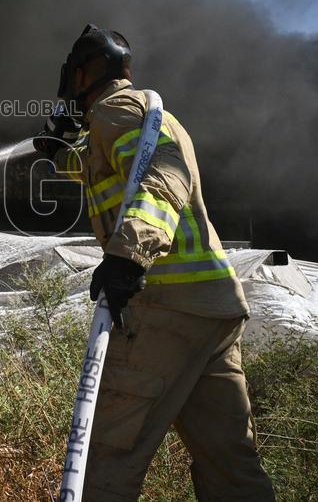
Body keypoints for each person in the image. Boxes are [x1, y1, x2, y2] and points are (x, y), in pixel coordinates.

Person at [35, 24, 275, 501]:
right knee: (229, 463)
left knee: (105, 457)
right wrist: (57, 149)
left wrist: (128, 256)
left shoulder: (115, 111)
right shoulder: (138, 115)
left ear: (81, 74)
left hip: (166, 307)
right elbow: (107, 166)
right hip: (212, 310)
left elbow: (163, 178)